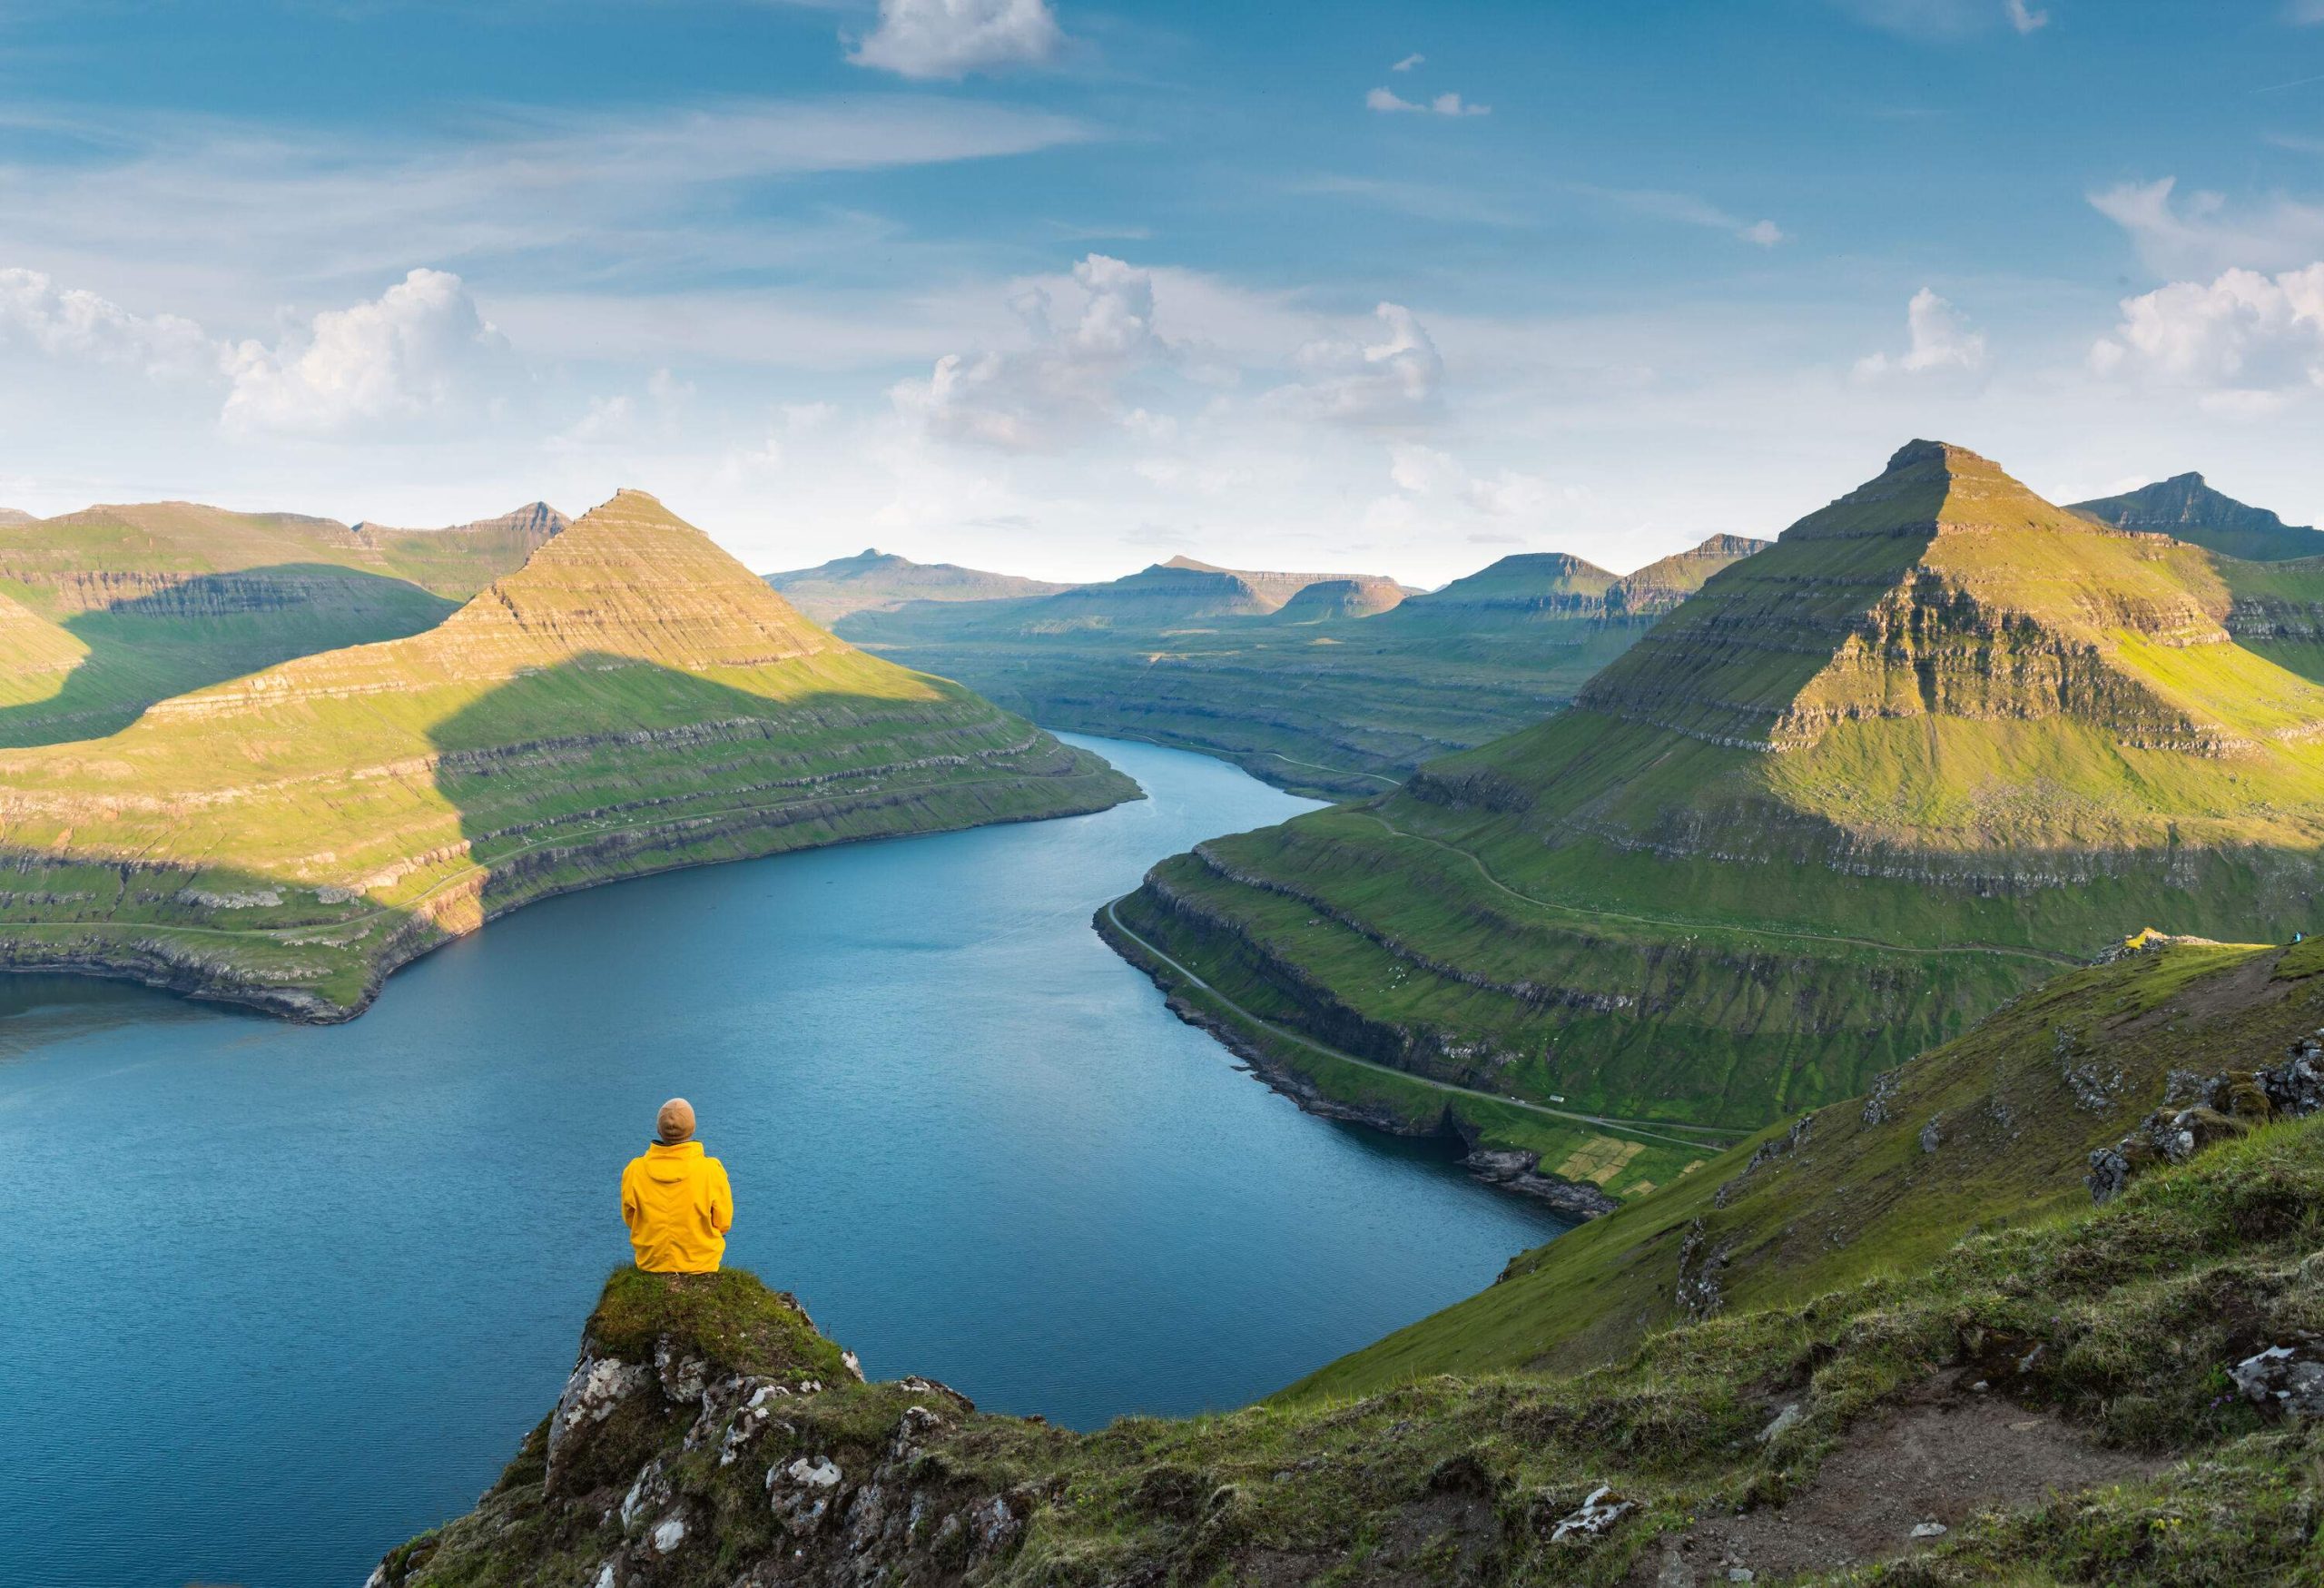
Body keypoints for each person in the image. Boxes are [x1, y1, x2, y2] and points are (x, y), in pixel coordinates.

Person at [620, 1098, 734, 1273]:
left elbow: (630, 1219)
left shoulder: (634, 1170)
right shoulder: (711, 1170)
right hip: (702, 1263)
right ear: (692, 1128)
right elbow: (723, 1222)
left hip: (651, 1262)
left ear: (659, 1129)